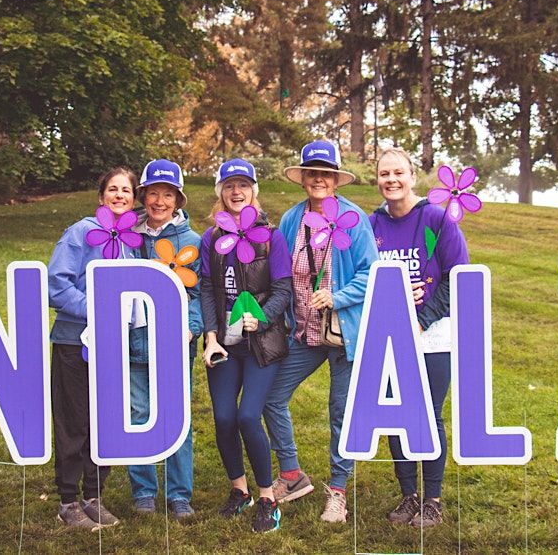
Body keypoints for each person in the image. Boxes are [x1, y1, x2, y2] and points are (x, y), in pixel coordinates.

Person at [262, 139, 382, 523]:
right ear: (303, 179)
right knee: (271, 399)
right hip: (304, 334)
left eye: (325, 174)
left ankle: (338, 491)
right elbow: (279, 272)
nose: (318, 179)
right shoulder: (291, 220)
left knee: (339, 413)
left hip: (345, 333)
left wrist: (338, 296)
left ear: (335, 180)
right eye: (312, 173)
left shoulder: (354, 218)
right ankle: (293, 475)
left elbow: (372, 273)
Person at [369, 148, 469, 528]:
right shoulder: (372, 225)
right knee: (396, 414)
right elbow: (365, 276)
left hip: (433, 333)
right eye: (384, 174)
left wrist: (424, 318)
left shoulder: (436, 218)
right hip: (390, 332)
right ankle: (409, 495)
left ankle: (434, 498)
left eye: (398, 172)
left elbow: (458, 276)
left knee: (428, 413)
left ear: (412, 176)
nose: (391, 180)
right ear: (377, 180)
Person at [199, 159, 293, 533]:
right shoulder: (211, 238)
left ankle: (268, 497)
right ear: (221, 192)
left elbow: (283, 289)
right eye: (229, 185)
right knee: (223, 417)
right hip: (225, 343)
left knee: (248, 416)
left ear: (254, 191)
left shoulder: (271, 236)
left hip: (262, 343)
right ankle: (240, 491)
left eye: (243, 185)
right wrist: (210, 336)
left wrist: (263, 317)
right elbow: (207, 288)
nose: (236, 192)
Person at [47, 167, 137, 530]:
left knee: (105, 422)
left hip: (112, 345)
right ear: (101, 197)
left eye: (126, 190)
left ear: (133, 199)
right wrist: (98, 310)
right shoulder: (81, 232)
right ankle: (68, 501)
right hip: (74, 343)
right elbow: (57, 284)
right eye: (112, 189)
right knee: (75, 422)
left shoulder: (130, 240)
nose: (119, 195)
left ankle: (93, 496)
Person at [127, 159, 203, 520]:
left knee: (176, 416)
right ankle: (143, 490)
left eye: (167, 194)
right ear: (143, 195)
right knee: (139, 412)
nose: (159, 201)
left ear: (178, 200)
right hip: (133, 342)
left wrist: (191, 326)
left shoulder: (192, 241)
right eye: (153, 193)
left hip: (174, 343)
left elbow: (204, 294)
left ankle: (179, 494)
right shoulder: (128, 236)